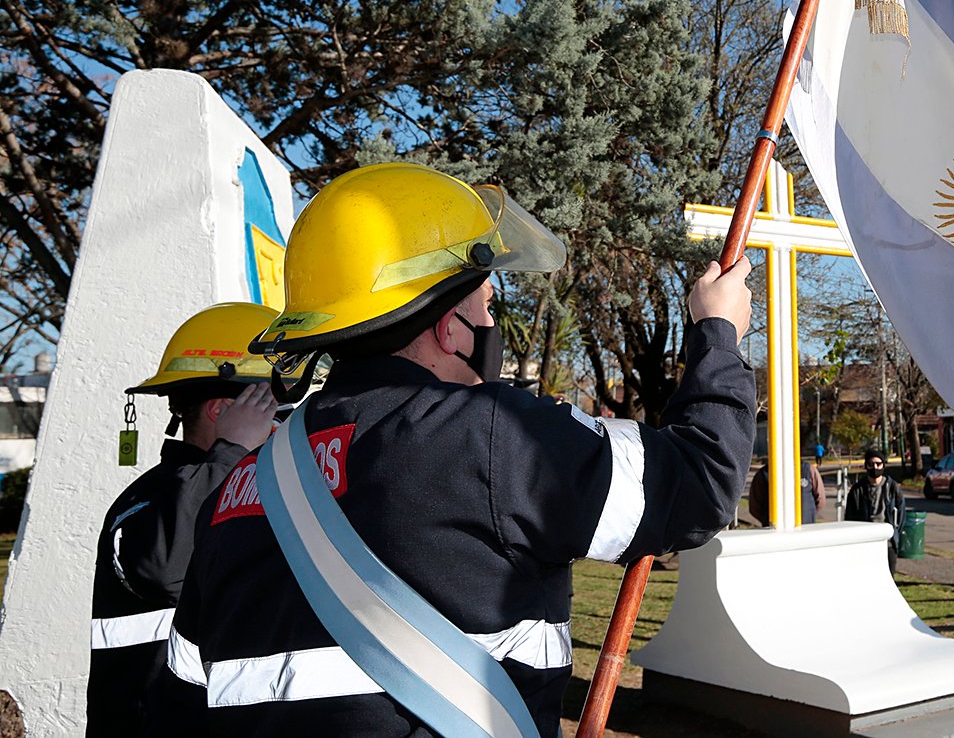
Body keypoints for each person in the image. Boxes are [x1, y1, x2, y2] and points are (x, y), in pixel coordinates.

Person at [157, 162, 757, 737]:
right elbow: (701, 482)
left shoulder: (243, 482)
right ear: (449, 327)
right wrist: (718, 332)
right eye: (488, 307)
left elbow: (182, 696)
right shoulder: (493, 434)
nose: (493, 325)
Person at [88, 303, 293, 737]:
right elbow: (167, 567)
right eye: (274, 410)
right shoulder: (149, 499)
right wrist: (234, 452)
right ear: (222, 410)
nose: (286, 425)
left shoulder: (263, 493)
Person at [844, 448, 906, 572]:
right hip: (865, 541)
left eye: (878, 464)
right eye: (871, 464)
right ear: (866, 466)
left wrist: (895, 533)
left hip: (888, 541)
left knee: (889, 576)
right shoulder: (858, 490)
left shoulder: (892, 487)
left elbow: (901, 513)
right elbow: (850, 516)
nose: (875, 467)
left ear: (883, 465)